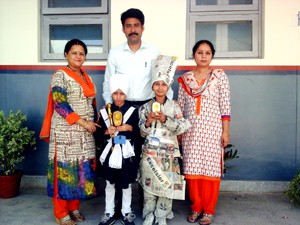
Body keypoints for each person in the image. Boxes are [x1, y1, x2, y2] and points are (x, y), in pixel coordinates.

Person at [102, 7, 173, 215]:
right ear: (123, 29)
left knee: (146, 156)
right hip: (121, 109)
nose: (132, 29)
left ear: (142, 27)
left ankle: (144, 203)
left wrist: (165, 104)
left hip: (146, 108)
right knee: (120, 156)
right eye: (128, 26)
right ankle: (116, 207)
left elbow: (162, 78)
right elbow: (108, 83)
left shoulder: (153, 51)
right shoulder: (115, 53)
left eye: (136, 25)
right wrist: (111, 112)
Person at [40, 39, 99, 225]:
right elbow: (60, 104)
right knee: (64, 172)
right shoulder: (60, 75)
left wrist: (94, 123)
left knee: (81, 171)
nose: (78, 56)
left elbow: (91, 103)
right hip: (66, 133)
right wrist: (83, 122)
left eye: (82, 53)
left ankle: (74, 208)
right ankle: (60, 212)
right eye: (74, 53)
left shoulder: (85, 76)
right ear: (66, 54)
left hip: (84, 134)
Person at [177, 40, 231, 225]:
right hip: (190, 132)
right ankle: (196, 207)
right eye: (200, 52)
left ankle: (208, 210)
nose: (203, 56)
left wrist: (225, 132)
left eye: (207, 53)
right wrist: (178, 133)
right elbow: (181, 108)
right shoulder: (186, 79)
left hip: (212, 130)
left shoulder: (219, 76)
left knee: (210, 171)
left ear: (212, 56)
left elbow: (225, 105)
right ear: (194, 54)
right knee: (192, 170)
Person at [138, 55, 191, 225]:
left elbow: (183, 126)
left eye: (163, 84)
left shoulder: (174, 106)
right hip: (150, 155)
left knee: (166, 186)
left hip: (169, 155)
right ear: (152, 86)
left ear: (168, 86)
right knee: (149, 187)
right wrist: (147, 121)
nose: (160, 88)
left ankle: (161, 215)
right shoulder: (145, 107)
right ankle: (149, 214)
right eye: (157, 84)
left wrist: (165, 120)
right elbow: (141, 133)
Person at [95, 74, 139, 225]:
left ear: (126, 94)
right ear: (111, 94)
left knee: (126, 184)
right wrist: (107, 131)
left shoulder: (133, 111)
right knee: (109, 182)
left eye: (121, 93)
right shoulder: (105, 111)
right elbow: (98, 133)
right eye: (115, 93)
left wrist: (129, 127)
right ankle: (109, 212)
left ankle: (126, 212)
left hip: (126, 153)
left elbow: (139, 134)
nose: (118, 97)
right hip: (110, 151)